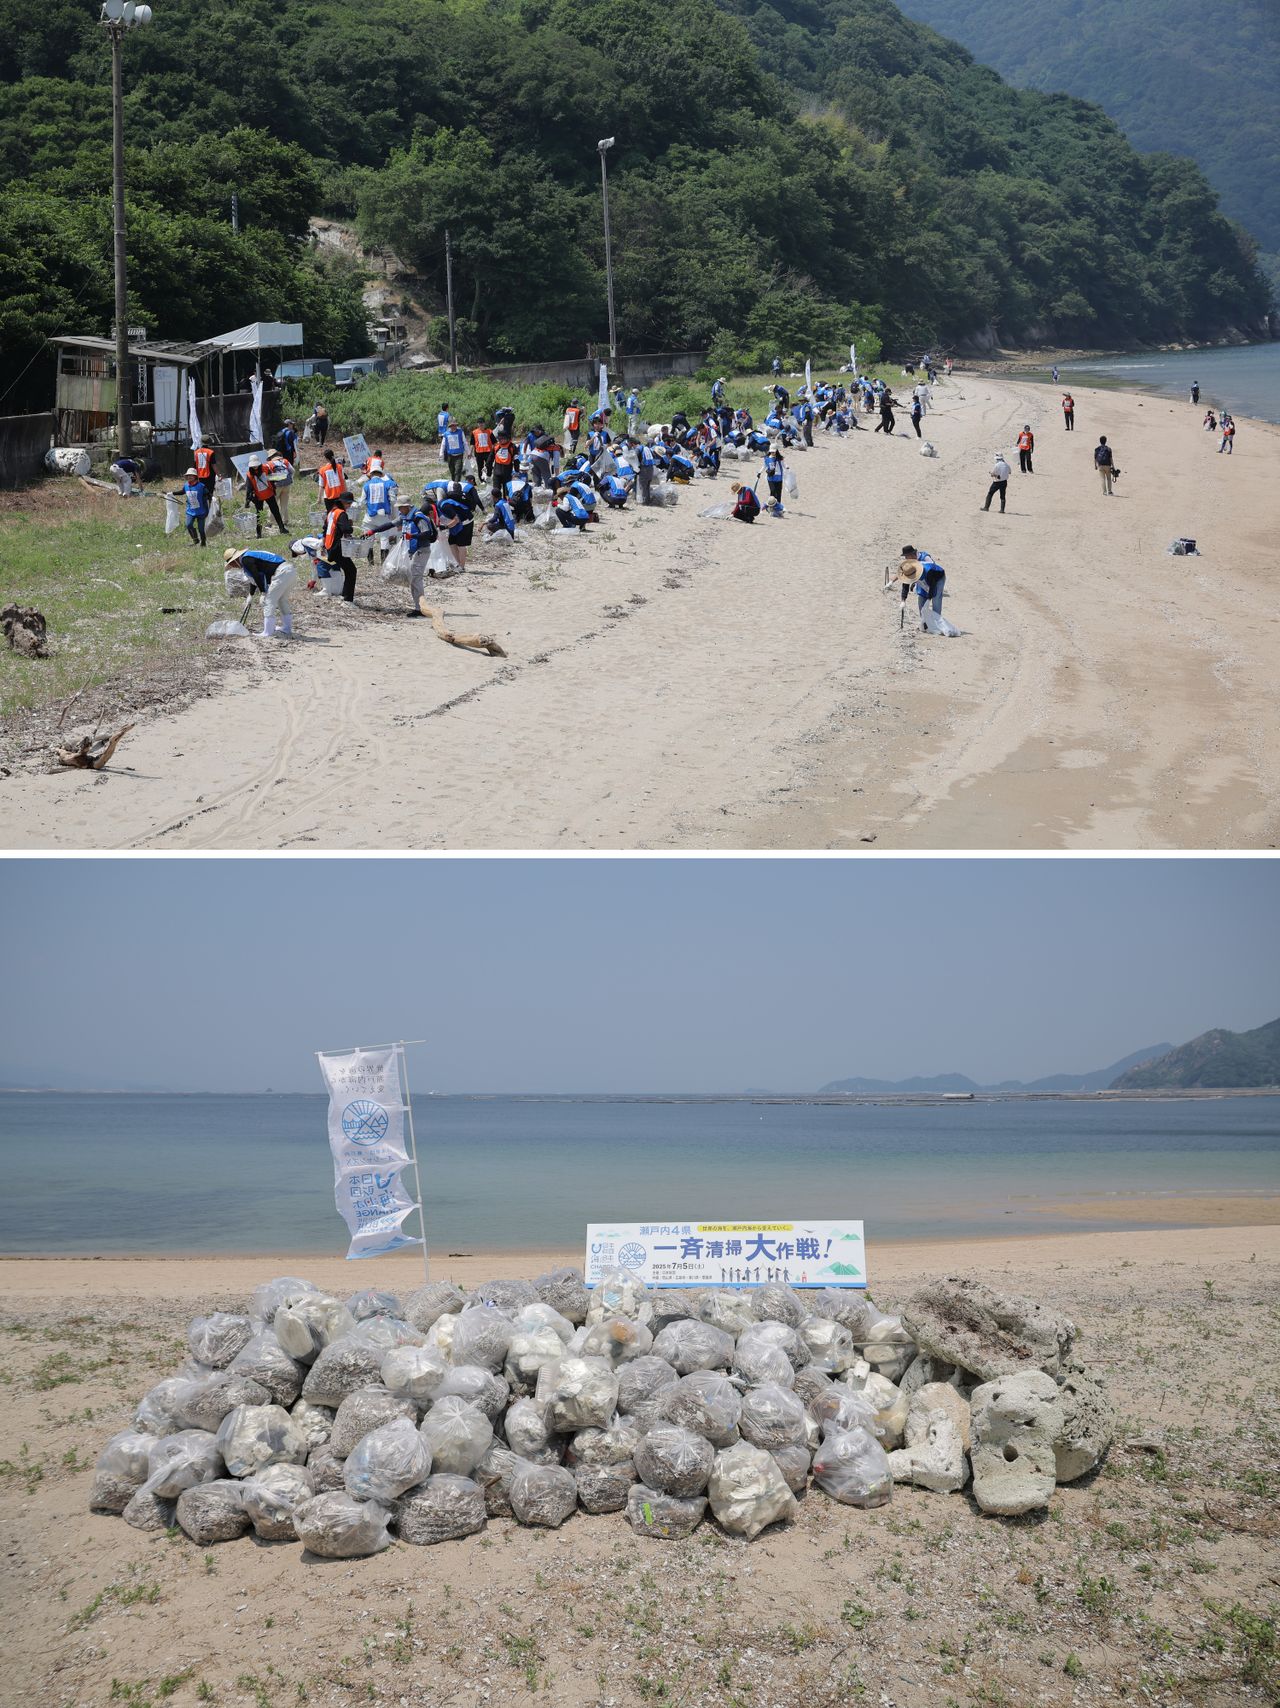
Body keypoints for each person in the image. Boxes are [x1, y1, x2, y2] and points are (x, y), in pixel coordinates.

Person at [226, 545, 297, 638]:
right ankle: (287, 629)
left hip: (281, 572)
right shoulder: (250, 556)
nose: (233, 566)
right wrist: (250, 595)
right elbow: (255, 578)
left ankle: (268, 632)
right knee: (282, 600)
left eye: (232, 564)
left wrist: (263, 592)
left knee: (268, 601)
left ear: (235, 559)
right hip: (290, 570)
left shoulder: (245, 559)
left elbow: (256, 575)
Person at [896, 545, 946, 628]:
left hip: (937, 578)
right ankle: (925, 623)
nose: (906, 558)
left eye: (906, 556)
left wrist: (929, 598)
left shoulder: (927, 568)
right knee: (921, 600)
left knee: (936, 598)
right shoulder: (909, 568)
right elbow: (905, 585)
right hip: (925, 579)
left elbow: (932, 585)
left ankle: (937, 623)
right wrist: (903, 600)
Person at [321, 493, 358, 600]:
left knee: (349, 570)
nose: (349, 505)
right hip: (337, 547)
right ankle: (347, 600)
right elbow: (346, 529)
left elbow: (325, 529)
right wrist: (350, 526)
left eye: (350, 503)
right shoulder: (341, 514)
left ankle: (344, 596)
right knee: (351, 571)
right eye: (348, 503)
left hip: (330, 546)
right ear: (341, 502)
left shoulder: (331, 512)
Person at [243, 454, 288, 536]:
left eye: (256, 465)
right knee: (259, 515)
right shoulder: (249, 475)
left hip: (269, 494)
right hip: (258, 497)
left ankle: (282, 528)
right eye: (253, 465)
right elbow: (249, 489)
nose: (255, 467)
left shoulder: (266, 468)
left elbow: (272, 478)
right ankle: (259, 533)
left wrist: (277, 481)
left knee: (276, 511)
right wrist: (247, 501)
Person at [434, 481, 474, 569]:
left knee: (461, 544)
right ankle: (457, 563)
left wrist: (446, 527)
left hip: (466, 521)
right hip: (460, 521)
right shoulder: (442, 504)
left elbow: (456, 519)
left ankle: (462, 567)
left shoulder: (444, 505)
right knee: (451, 542)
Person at [172, 467, 209, 545]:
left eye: (191, 475)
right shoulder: (186, 486)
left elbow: (208, 495)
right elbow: (182, 492)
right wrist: (172, 493)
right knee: (188, 525)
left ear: (195, 476)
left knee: (201, 529)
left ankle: (203, 542)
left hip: (201, 511)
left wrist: (208, 508)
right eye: (188, 475)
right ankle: (195, 540)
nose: (189, 477)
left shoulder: (201, 486)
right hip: (190, 511)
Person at [193, 441, 219, 507]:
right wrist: (218, 474)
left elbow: (195, 465)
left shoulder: (196, 452)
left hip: (199, 476)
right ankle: (209, 507)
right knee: (209, 493)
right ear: (208, 442)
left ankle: (201, 506)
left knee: (201, 492)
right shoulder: (211, 452)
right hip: (210, 476)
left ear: (202, 442)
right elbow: (214, 465)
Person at [762, 445, 785, 515]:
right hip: (771, 478)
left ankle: (778, 507)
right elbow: (764, 466)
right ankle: (769, 506)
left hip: (779, 478)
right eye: (771, 452)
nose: (773, 453)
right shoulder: (767, 458)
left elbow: (784, 465)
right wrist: (759, 472)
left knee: (778, 493)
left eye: (774, 452)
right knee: (773, 491)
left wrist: (787, 468)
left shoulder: (780, 459)